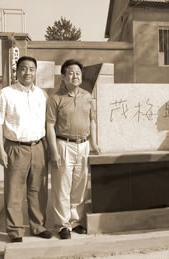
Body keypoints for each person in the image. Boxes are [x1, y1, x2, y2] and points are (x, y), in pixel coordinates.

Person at [0, 56, 52, 242]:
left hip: (39, 146)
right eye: (24, 68)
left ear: (35, 72)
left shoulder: (41, 94)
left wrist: (49, 149)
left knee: (38, 190)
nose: (28, 72)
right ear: (17, 71)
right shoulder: (6, 94)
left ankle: (38, 226)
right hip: (15, 148)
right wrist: (0, 150)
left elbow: (48, 124)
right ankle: (15, 231)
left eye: (31, 69)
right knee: (14, 191)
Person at [46, 59, 101, 239]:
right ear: (63, 76)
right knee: (62, 186)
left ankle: (75, 221)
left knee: (80, 185)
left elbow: (92, 120)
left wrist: (93, 143)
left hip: (83, 145)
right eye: (71, 73)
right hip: (64, 144)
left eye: (78, 73)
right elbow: (50, 126)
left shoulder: (87, 96)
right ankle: (62, 225)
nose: (75, 76)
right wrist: (54, 151)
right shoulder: (55, 98)